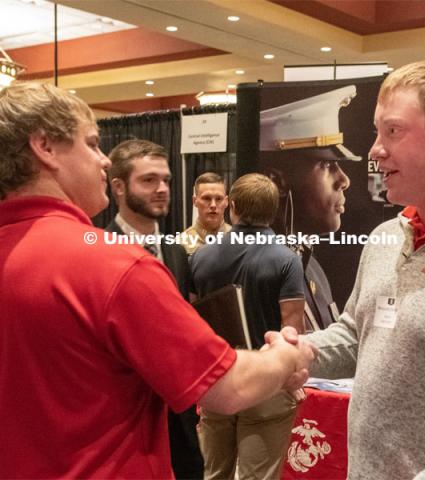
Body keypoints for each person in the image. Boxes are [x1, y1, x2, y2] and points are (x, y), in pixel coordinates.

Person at [0, 81, 316, 479]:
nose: (104, 161)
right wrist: (289, 353)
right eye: (93, 143)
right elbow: (228, 386)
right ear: (45, 147)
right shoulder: (111, 264)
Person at [300, 59, 425, 479]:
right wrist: (297, 353)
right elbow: (354, 335)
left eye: (393, 131)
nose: (375, 149)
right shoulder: (386, 235)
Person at [190, 173, 305, 480]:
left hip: (217, 380)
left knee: (212, 474)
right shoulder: (286, 259)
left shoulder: (201, 257)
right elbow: (292, 327)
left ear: (233, 206)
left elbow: (191, 321)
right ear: (275, 210)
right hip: (267, 384)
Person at [106, 139, 201, 479]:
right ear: (118, 186)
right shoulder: (100, 251)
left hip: (180, 411)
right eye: (148, 180)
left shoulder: (176, 250)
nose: (162, 189)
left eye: (166, 180)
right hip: (124, 415)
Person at [261, 86, 358, 330]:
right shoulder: (260, 272)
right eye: (327, 164)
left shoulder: (308, 263)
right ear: (278, 181)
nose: (344, 180)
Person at [181, 172, 231, 255]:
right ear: (194, 201)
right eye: (206, 198)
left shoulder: (239, 241)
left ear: (226, 202)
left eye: (218, 199)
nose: (213, 205)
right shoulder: (181, 244)